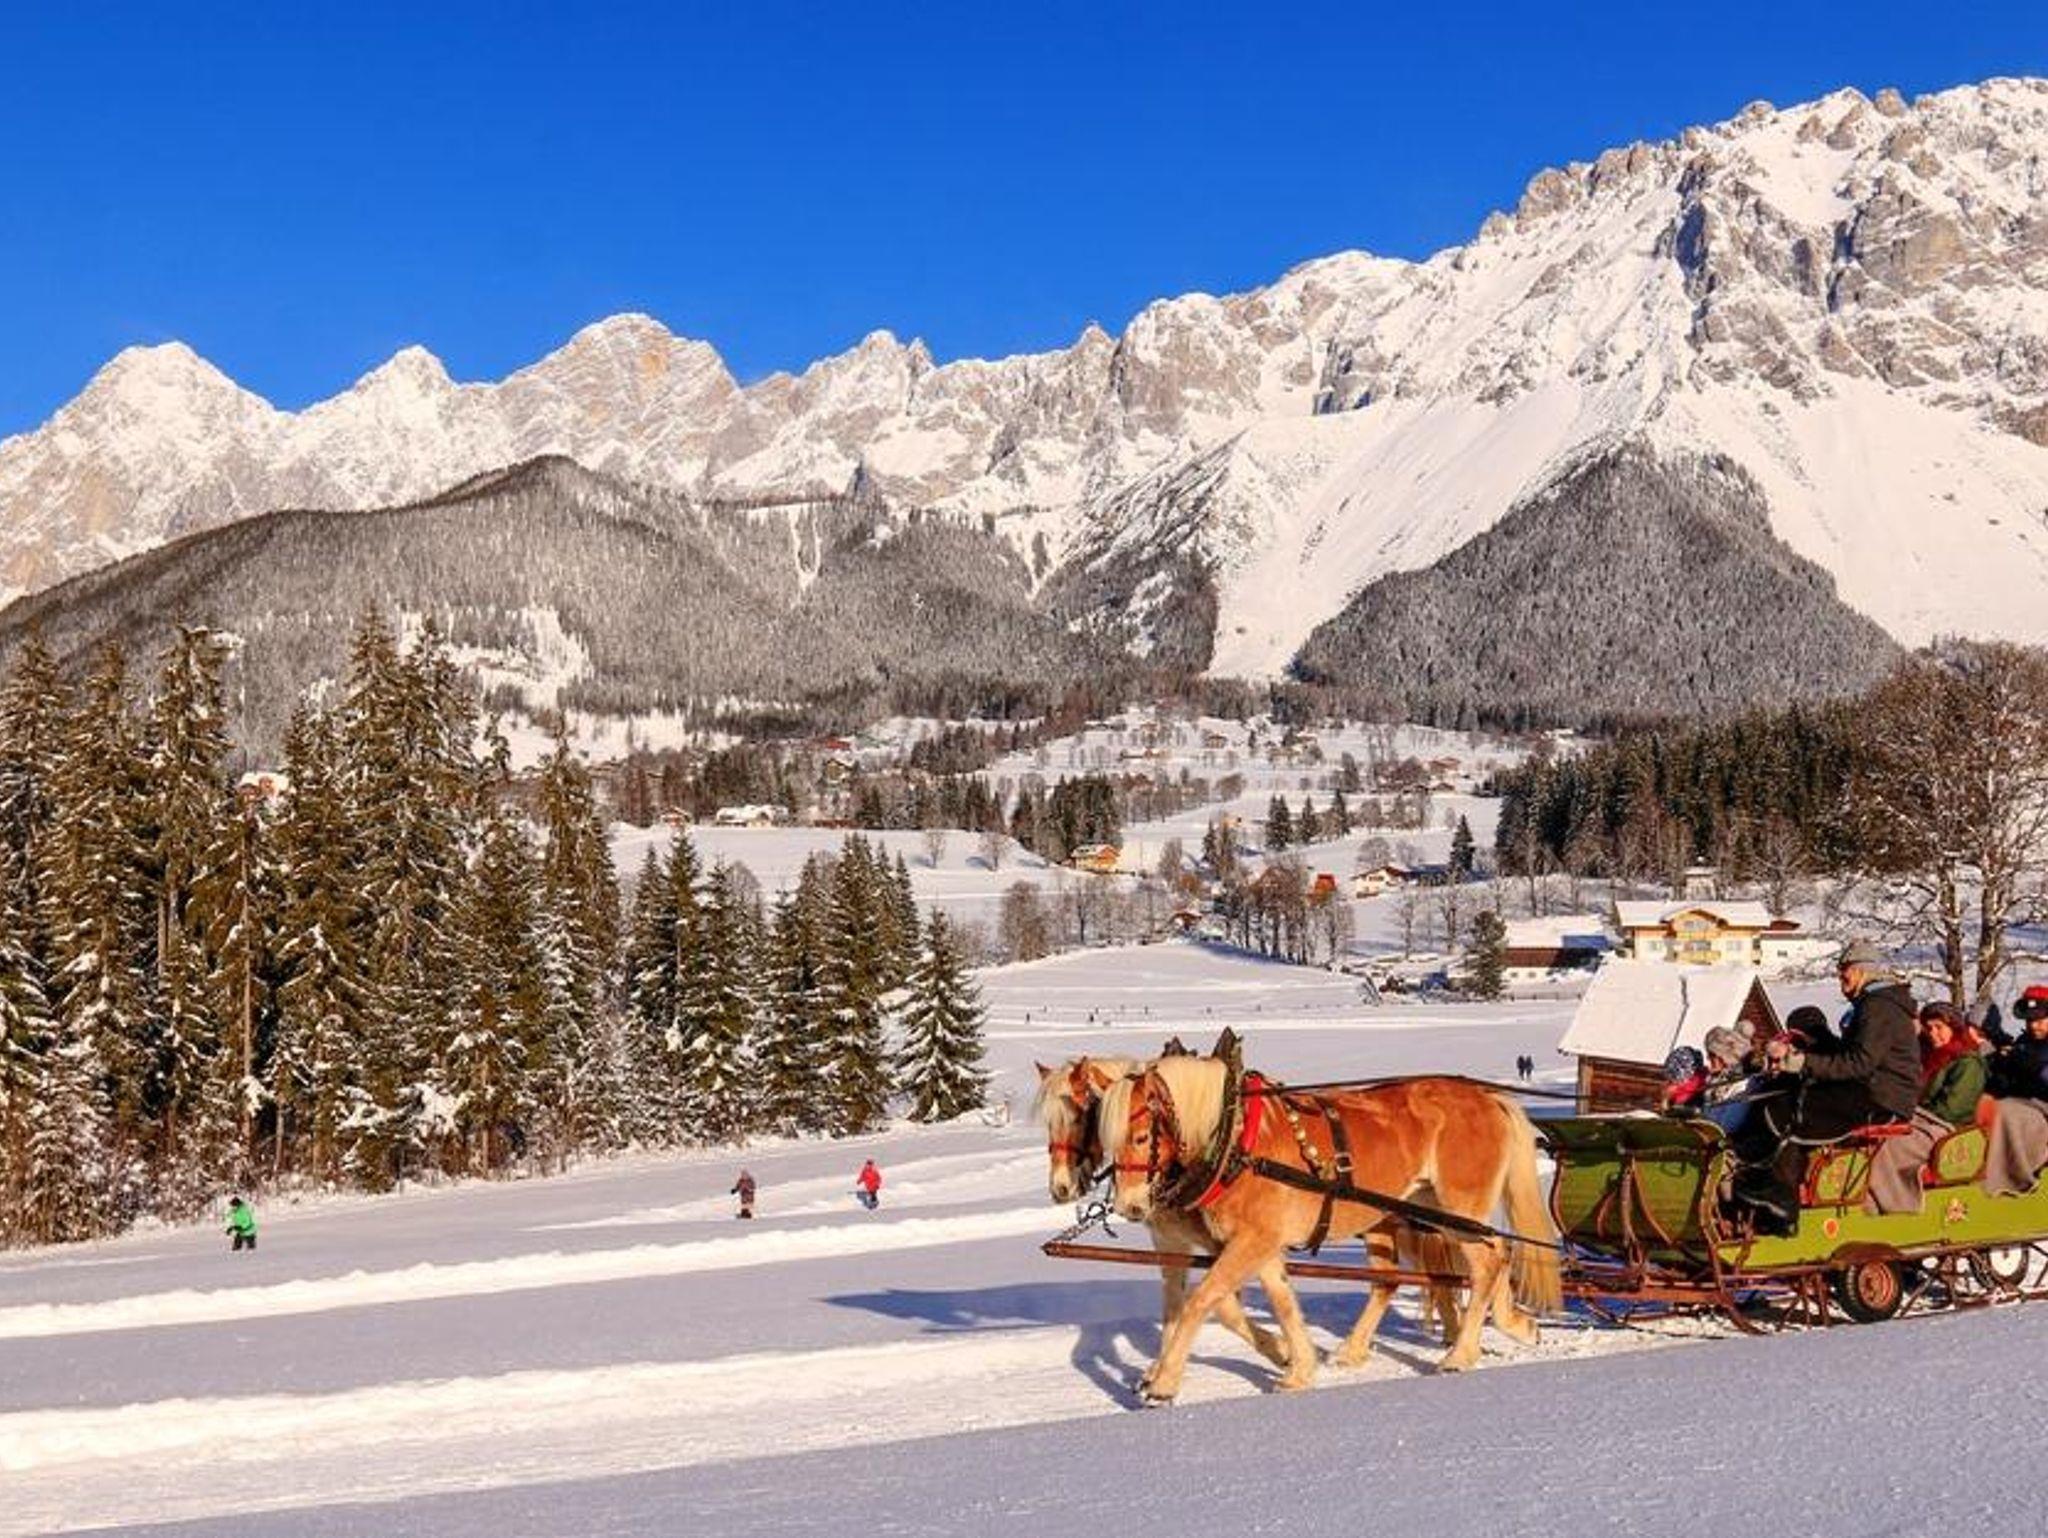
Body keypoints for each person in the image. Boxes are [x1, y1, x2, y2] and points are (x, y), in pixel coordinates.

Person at [1729, 941, 1918, 1235]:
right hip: (1872, 1090)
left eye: (1844, 972)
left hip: (1882, 1098)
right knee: (1786, 1098)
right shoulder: (1875, 1004)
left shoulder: (1879, 1006)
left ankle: (1783, 1201)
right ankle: (1768, 1187)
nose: (1841, 979)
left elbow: (1859, 1062)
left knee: (1790, 1110)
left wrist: (1801, 1062)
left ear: (1862, 971)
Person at [1865, 1002, 1989, 1214]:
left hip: (1947, 1128)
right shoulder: (1926, 1056)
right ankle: (1870, 1200)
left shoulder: (1968, 1062)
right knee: (1873, 1137)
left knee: (1890, 1146)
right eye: (1929, 1028)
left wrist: (1915, 1110)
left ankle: (1898, 1205)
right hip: (1921, 1119)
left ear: (1954, 1027)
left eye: (1939, 1027)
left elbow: (1954, 1109)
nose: (1933, 1034)